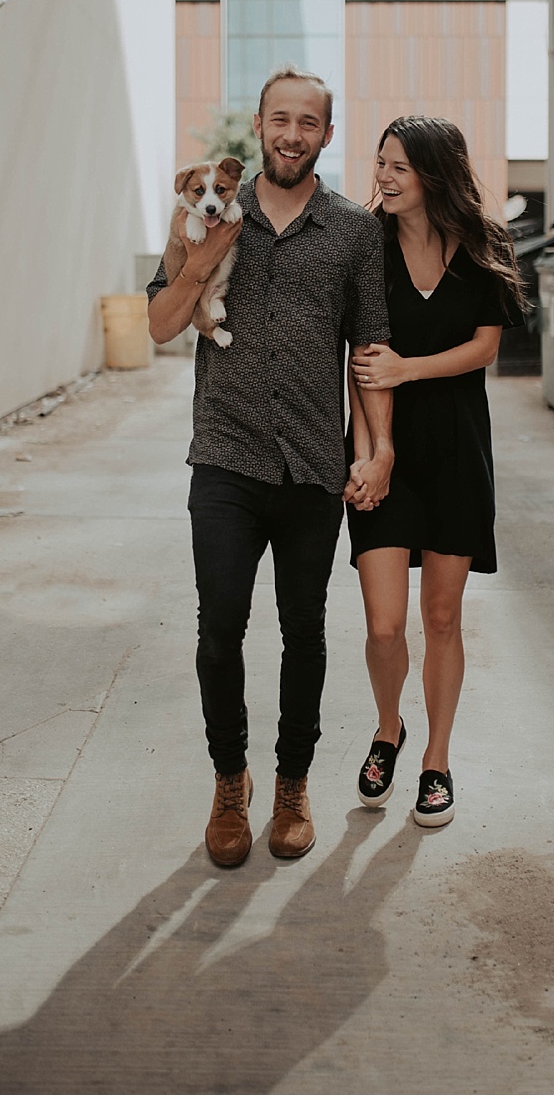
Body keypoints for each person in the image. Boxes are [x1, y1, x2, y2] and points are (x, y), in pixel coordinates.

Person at [148, 65, 394, 868]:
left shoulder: (355, 230)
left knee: (305, 632)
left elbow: (369, 350)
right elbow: (159, 325)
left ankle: (291, 784)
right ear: (258, 126)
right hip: (225, 454)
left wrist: (377, 448)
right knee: (219, 631)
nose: (293, 133)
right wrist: (197, 263)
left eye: (309, 122)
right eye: (279, 118)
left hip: (312, 466)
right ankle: (230, 780)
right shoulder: (206, 209)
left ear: (328, 132)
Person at [343, 116, 528, 828]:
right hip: (381, 444)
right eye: (380, 163)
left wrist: (410, 367)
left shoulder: (483, 242)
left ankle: (436, 759)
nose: (384, 177)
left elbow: (485, 348)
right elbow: (362, 362)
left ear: (434, 173)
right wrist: (367, 453)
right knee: (385, 625)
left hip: (456, 450)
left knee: (442, 618)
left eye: (399, 166)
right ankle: (390, 728)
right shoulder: (366, 245)